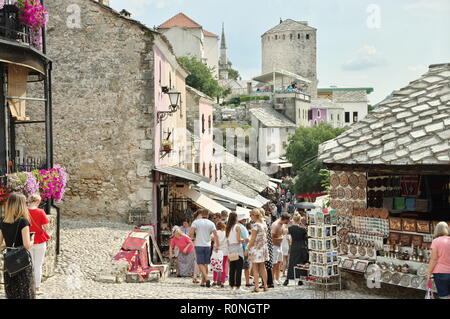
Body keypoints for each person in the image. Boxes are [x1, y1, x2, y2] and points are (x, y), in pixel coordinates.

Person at [0, 193, 35, 299]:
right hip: (21, 262)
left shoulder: (2, 221)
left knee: (11, 292)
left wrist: (9, 244)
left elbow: (0, 244)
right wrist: (32, 239)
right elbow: (27, 245)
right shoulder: (23, 222)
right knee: (24, 292)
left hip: (9, 263)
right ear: (21, 205)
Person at [189, 209, 219, 288]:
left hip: (199, 244)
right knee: (205, 263)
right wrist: (217, 245)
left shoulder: (196, 222)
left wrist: (192, 238)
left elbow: (191, 232)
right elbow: (216, 235)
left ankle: (206, 278)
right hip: (208, 245)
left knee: (199, 263)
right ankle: (203, 282)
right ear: (208, 215)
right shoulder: (211, 223)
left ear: (201, 214)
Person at [27, 194, 50, 295]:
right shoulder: (40, 212)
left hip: (28, 240)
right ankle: (37, 288)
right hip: (40, 240)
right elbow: (46, 227)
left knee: (29, 265)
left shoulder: (24, 211)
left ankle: (28, 286)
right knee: (38, 265)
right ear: (37, 202)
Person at [246, 208, 269, 293]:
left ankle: (256, 287)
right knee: (263, 267)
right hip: (263, 247)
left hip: (256, 248)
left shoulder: (256, 225)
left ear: (254, 215)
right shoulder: (264, 224)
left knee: (255, 268)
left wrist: (247, 248)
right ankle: (265, 286)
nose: (250, 217)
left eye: (251, 215)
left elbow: (252, 239)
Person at [284, 214, 309, 286]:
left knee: (292, 263)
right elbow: (306, 238)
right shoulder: (303, 229)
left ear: (293, 220)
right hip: (302, 247)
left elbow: (286, 233)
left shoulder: (290, 228)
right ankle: (300, 280)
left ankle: (287, 279)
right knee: (301, 263)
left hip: (294, 246)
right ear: (299, 220)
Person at [428, 222, 450, 299]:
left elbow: (434, 259)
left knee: (444, 296)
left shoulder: (436, 241)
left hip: (440, 273)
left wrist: (428, 272)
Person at [226, 212, 244, 293]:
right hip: (237, 248)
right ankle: (238, 286)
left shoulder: (228, 227)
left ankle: (231, 285)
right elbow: (238, 240)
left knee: (232, 268)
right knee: (239, 269)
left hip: (231, 248)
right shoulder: (237, 227)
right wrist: (245, 240)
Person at [271, 213, 291, 285]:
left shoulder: (282, 224)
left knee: (279, 262)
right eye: (287, 221)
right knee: (274, 263)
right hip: (274, 246)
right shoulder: (275, 224)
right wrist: (281, 237)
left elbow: (283, 233)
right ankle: (273, 279)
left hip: (280, 246)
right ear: (285, 219)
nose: (288, 222)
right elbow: (272, 237)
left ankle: (277, 278)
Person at [237, 214, 252, 288]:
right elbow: (247, 239)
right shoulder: (242, 227)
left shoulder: (234, 226)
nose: (245, 221)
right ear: (242, 220)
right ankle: (247, 282)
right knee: (246, 267)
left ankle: (235, 282)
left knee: (236, 267)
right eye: (244, 219)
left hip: (235, 249)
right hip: (243, 248)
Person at [212, 221, 228, 288]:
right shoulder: (226, 233)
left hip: (217, 251)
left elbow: (212, 238)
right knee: (223, 266)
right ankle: (222, 282)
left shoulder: (216, 232)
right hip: (225, 251)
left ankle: (215, 281)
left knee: (215, 266)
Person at [262, 208, 275, 288]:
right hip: (269, 244)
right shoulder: (267, 221)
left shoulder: (263, 222)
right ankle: (270, 282)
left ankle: (266, 282)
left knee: (265, 265)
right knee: (268, 264)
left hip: (265, 244)